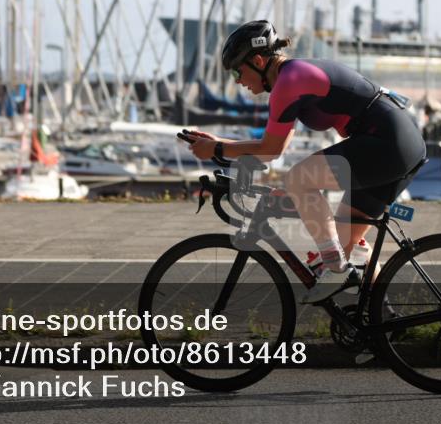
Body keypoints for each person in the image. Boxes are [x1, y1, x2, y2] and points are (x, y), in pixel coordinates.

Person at [182, 20, 426, 304]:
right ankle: (381, 327)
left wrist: (217, 149)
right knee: (349, 246)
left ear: (259, 60)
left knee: (299, 180)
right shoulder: (292, 79)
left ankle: (336, 268)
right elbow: (275, 147)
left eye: (238, 71)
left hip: (388, 144)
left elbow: (270, 151)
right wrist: (218, 145)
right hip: (397, 146)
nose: (237, 80)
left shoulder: (290, 81)